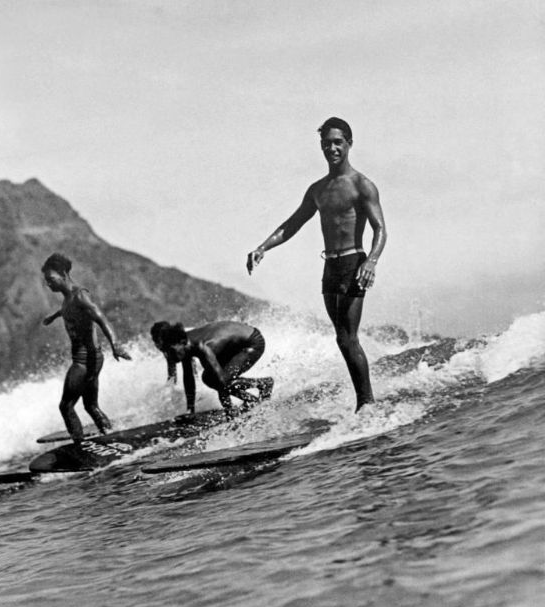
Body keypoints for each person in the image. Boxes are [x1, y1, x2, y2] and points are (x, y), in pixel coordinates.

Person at [246, 117, 388, 412]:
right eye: (326, 143)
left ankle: (366, 405)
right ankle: (364, 402)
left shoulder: (362, 185)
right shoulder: (317, 189)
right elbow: (294, 223)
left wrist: (371, 261)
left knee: (348, 337)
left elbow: (380, 229)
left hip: (353, 262)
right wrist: (263, 247)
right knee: (341, 338)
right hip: (330, 266)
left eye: (338, 142)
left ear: (349, 143)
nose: (332, 148)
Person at [41, 253, 132, 442]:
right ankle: (112, 438)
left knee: (66, 406)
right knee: (90, 405)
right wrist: (54, 316)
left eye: (51, 279)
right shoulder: (68, 299)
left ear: (63, 273)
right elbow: (69, 310)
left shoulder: (80, 295)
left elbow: (101, 318)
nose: (48, 284)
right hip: (92, 357)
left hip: (85, 359)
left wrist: (115, 345)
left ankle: (79, 446)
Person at [150, 320, 273, 416]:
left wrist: (229, 412)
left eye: (171, 351)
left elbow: (222, 383)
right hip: (232, 344)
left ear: (181, 343)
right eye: (167, 353)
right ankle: (252, 400)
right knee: (208, 377)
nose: (171, 357)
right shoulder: (184, 343)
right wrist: (190, 411)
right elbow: (188, 378)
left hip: (252, 342)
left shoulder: (204, 347)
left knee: (217, 379)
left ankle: (264, 384)